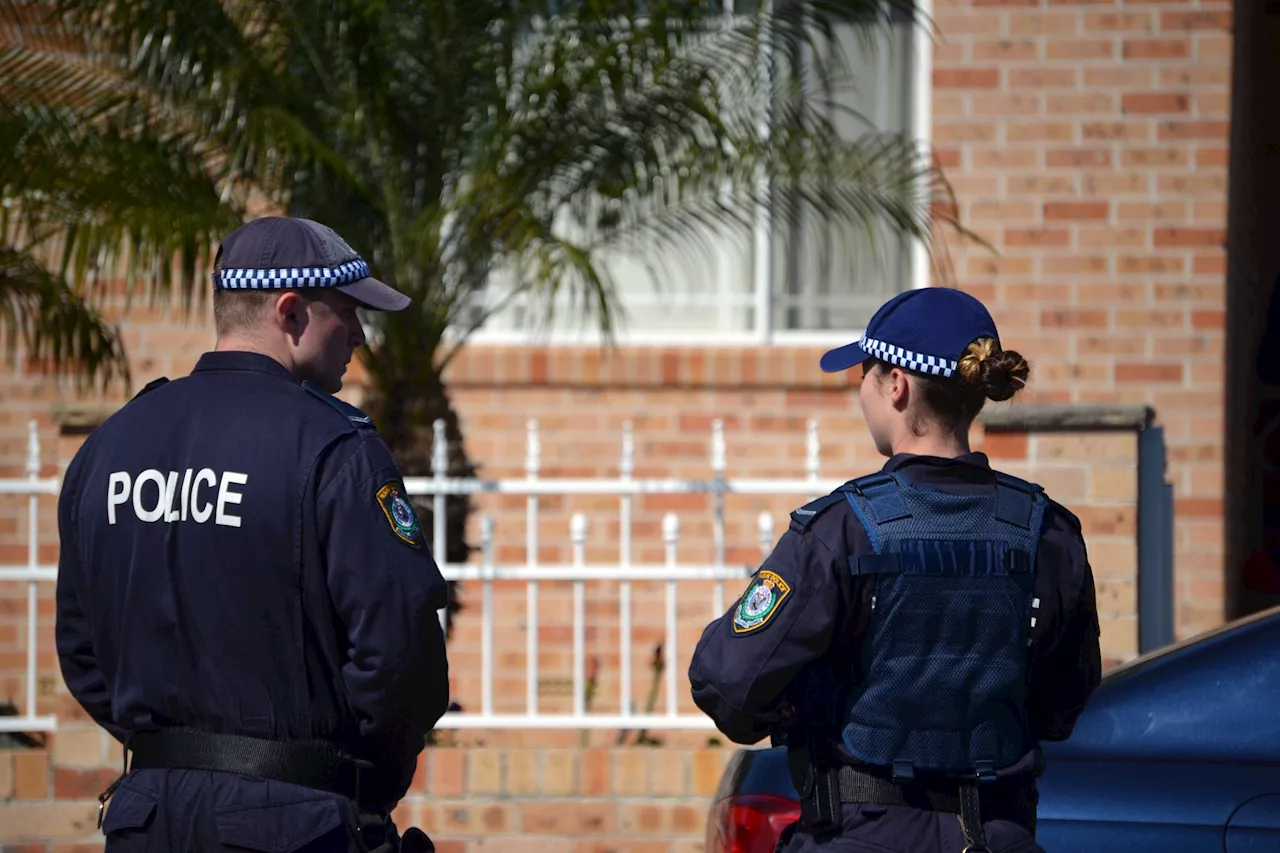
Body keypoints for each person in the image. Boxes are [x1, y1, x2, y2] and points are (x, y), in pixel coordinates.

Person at [54, 216, 449, 853]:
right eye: (346, 312)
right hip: (297, 821)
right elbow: (401, 657)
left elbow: (82, 651)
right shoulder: (334, 446)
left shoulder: (108, 447)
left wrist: (174, 755)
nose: (359, 335)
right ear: (290, 312)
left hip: (146, 820)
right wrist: (357, 779)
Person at [689, 287, 1101, 853]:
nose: (860, 390)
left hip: (859, 837)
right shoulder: (1047, 533)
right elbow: (1062, 705)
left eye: (863, 373)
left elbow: (727, 683)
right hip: (996, 837)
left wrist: (804, 700)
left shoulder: (841, 530)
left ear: (896, 385)